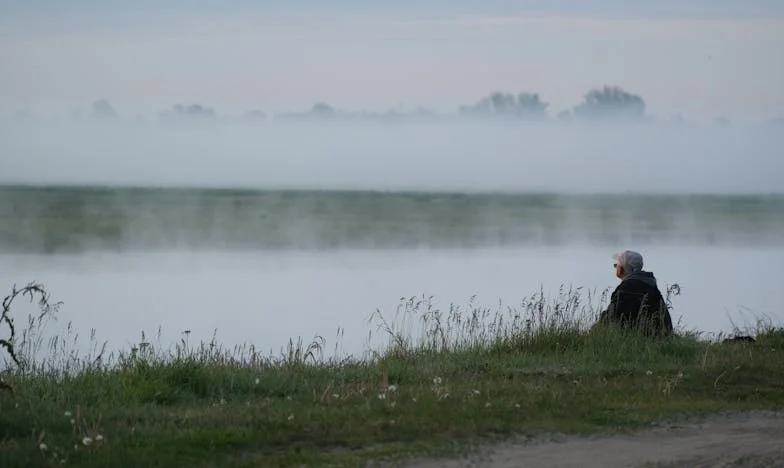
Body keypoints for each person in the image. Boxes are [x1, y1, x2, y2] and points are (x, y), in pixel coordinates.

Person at [596, 250, 673, 337]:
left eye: (616, 265)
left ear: (621, 270)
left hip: (642, 339)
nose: (615, 267)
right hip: (659, 337)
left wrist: (594, 331)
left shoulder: (627, 290)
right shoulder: (650, 285)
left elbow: (612, 317)